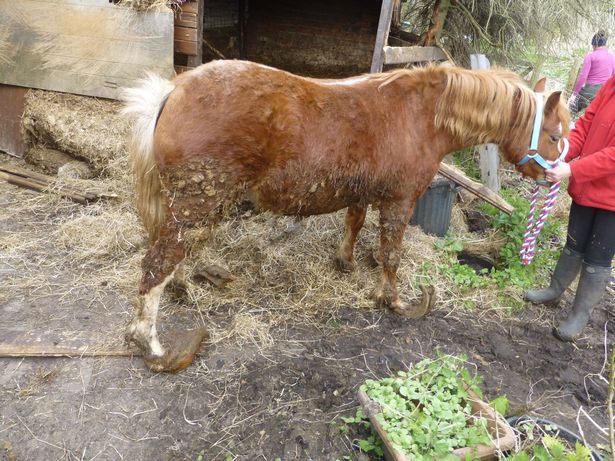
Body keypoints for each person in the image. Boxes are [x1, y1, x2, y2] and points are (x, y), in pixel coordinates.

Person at [524, 73, 615, 341]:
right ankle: (555, 289)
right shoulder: (612, 83)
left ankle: (579, 315)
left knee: (598, 257)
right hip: (587, 187)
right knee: (574, 242)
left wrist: (572, 169)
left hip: (611, 199)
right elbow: (586, 124)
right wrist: (562, 152)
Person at [569, 31, 615, 117]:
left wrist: (574, 94)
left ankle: (569, 122)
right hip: (604, 92)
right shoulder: (613, 57)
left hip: (589, 91)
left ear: (594, 45)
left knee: (570, 110)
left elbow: (583, 77)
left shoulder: (591, 56)